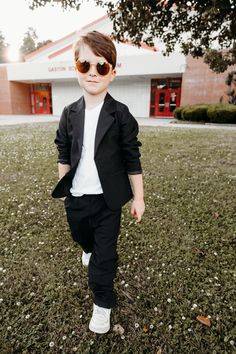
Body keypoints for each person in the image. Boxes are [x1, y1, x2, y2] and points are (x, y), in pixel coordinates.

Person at [52, 31, 145, 334]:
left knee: (104, 258)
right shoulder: (69, 114)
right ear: (76, 68)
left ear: (112, 73)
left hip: (108, 202)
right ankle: (87, 247)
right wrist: (65, 189)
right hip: (77, 199)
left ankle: (102, 304)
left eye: (101, 67)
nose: (93, 73)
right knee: (82, 238)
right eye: (85, 66)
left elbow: (132, 159)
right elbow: (63, 154)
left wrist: (139, 198)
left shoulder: (120, 115)